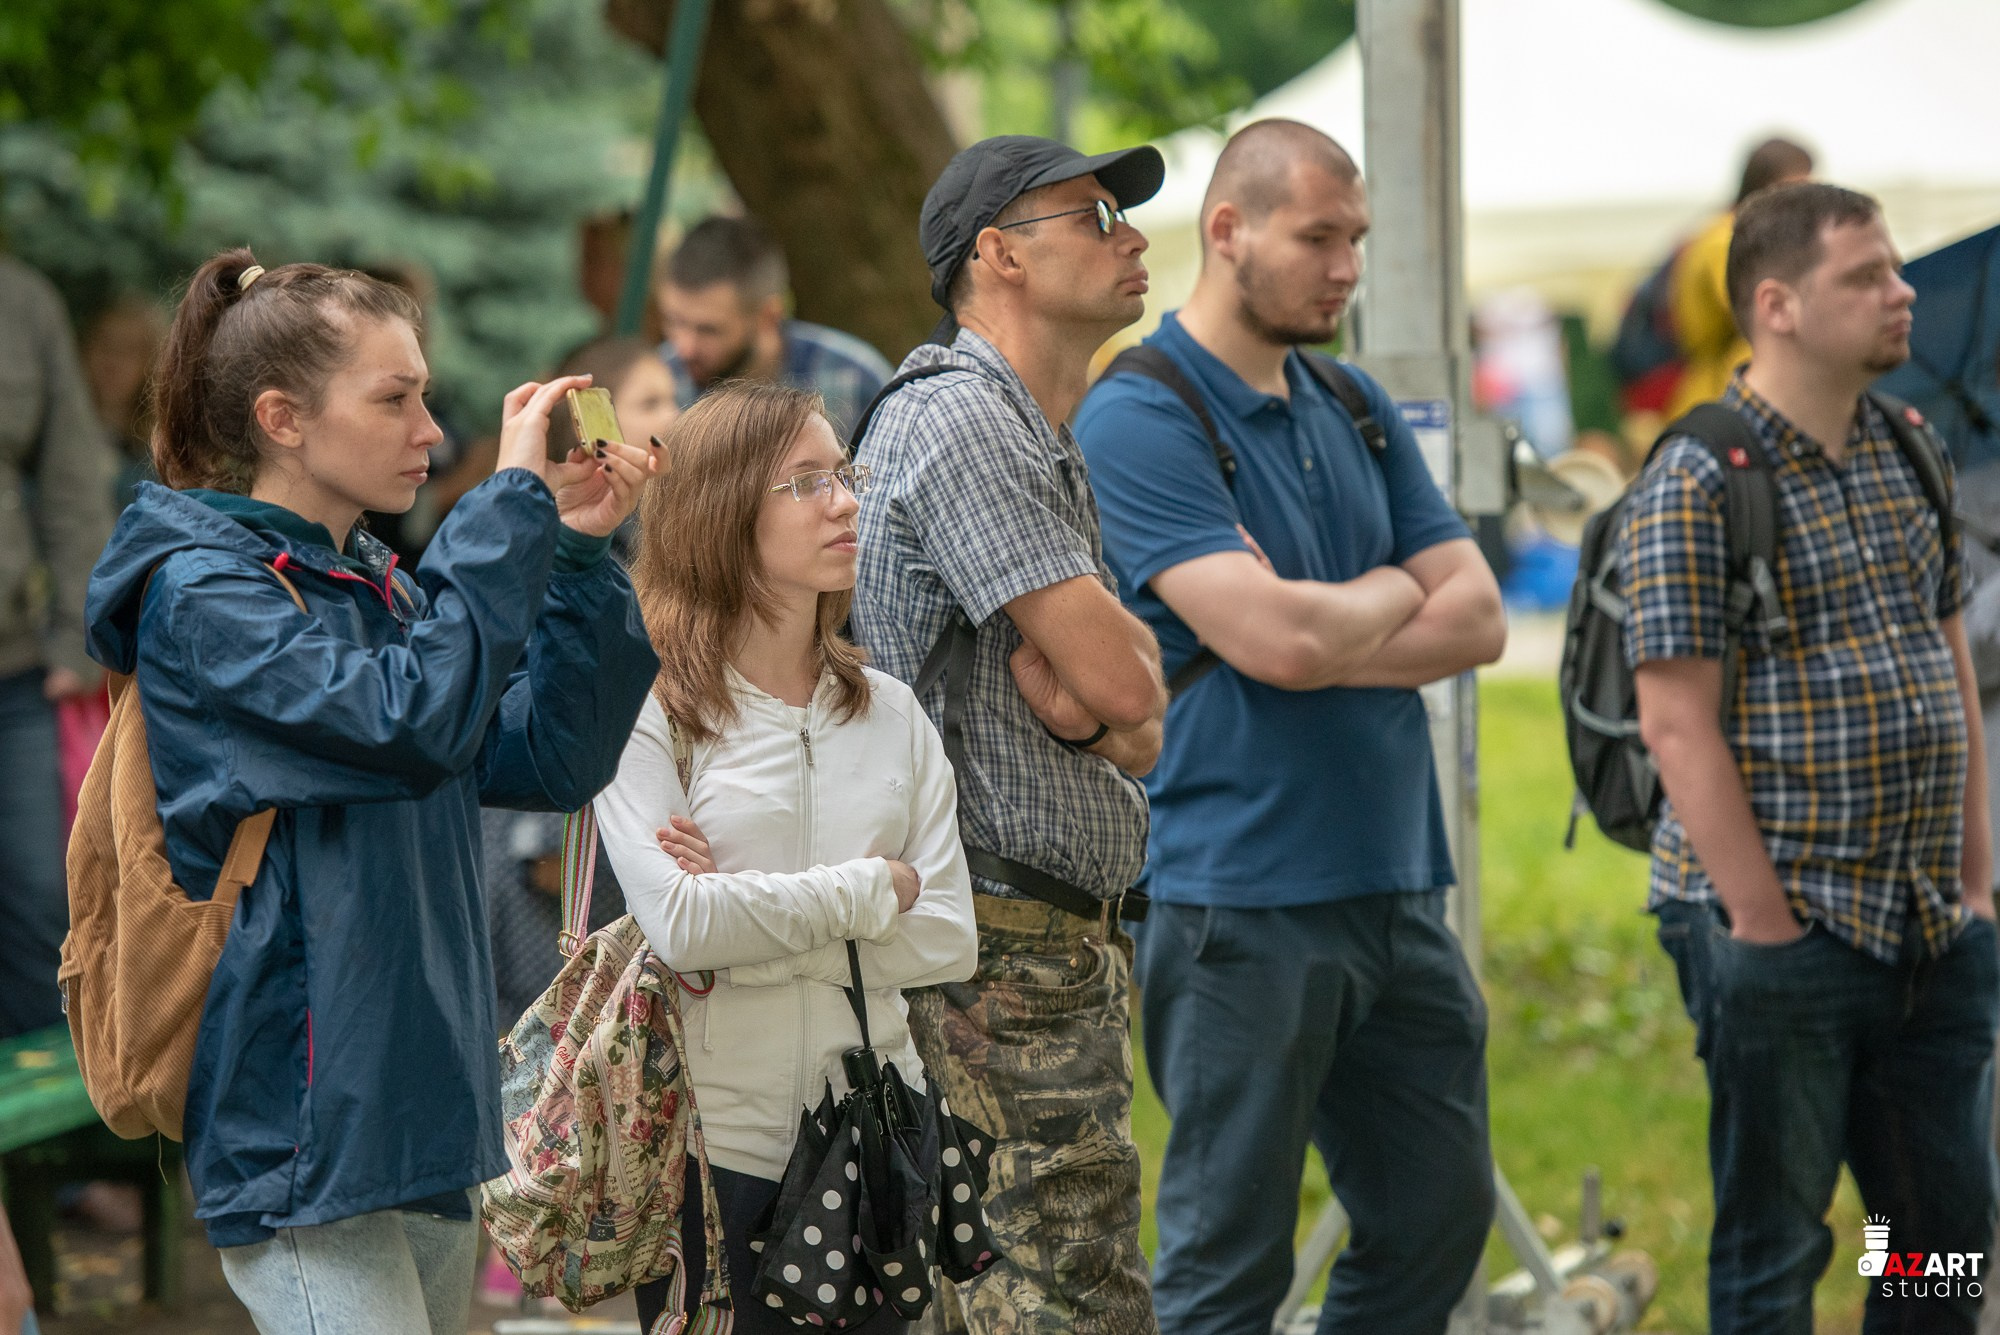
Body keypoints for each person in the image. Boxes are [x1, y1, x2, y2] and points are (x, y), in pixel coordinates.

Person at [83, 247, 661, 1334]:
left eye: (425, 397)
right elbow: (409, 720)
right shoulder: (204, 598)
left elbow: (548, 758)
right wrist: (504, 507)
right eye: (394, 399)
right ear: (282, 419)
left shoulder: (377, 586)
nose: (430, 431)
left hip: (425, 1108)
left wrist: (579, 561)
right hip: (305, 1124)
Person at [1074, 118, 1505, 1335]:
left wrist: (1320, 628)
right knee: (1228, 1268)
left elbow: (1478, 618)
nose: (1346, 266)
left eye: (1355, 238)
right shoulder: (1139, 414)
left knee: (1436, 1223)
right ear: (1228, 230)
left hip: (1396, 885)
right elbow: (1282, 645)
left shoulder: (1353, 401)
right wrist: (1387, 592)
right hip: (1238, 900)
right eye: (1318, 237)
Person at [1622, 183, 2000, 1333]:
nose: (1901, 294)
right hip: (1782, 931)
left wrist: (1974, 885)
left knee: (1935, 1234)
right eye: (1864, 276)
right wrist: (1762, 925)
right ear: (1776, 306)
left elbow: (1949, 662)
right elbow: (1673, 721)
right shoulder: (1698, 474)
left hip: (1925, 924)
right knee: (1775, 1246)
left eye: (1894, 269)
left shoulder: (1908, 446)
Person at [850, 134, 1169, 1335]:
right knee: (1064, 1302)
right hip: (997, 954)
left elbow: (1132, 721)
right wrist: (1106, 709)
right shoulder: (965, 422)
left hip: (1020, 944)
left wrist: (1102, 715)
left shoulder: (1026, 425)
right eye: (1094, 217)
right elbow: (1126, 683)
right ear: (998, 255)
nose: (1131, 237)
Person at [592, 379, 978, 1333]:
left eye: (845, 475)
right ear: (723, 510)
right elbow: (683, 927)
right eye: (807, 481)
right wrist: (871, 889)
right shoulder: (648, 707)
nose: (845, 502)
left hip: (878, 1143)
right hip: (715, 1157)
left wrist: (746, 934)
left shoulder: (892, 712)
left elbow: (950, 938)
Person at [0, 252, 117, 1042]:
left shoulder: (21, 301)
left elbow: (74, 474)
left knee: (45, 899)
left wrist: (80, 635)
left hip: (15, 669)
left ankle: (58, 1121)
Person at [658, 215, 893, 437]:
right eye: (674, 321)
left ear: (768, 316)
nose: (684, 348)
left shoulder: (855, 380)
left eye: (708, 330)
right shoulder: (659, 383)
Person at [1662, 136, 1815, 419]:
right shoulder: (1725, 239)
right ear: (1765, 185)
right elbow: (1757, 308)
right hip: (1720, 398)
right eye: (1794, 188)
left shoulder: (1739, 233)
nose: (1802, 202)